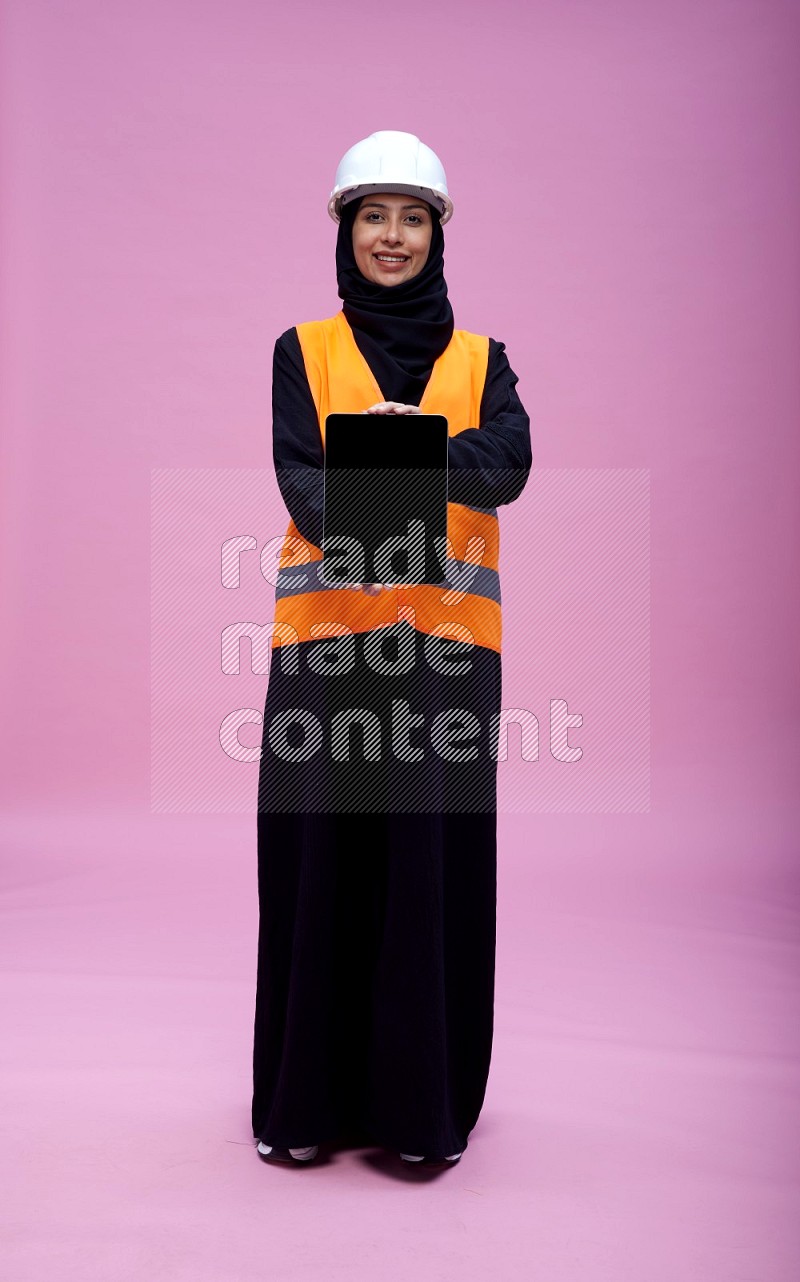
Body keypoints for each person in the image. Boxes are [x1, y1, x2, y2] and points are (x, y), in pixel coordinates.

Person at [252, 131, 532, 1170]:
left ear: (437, 235)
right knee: (319, 868)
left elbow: (506, 464)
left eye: (412, 217)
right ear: (344, 226)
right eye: (373, 214)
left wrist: (390, 440)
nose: (392, 236)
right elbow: (303, 483)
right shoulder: (301, 351)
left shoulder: (483, 360)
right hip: (326, 652)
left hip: (448, 656)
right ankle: (305, 1108)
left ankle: (422, 1116)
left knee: (428, 873)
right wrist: (417, 460)